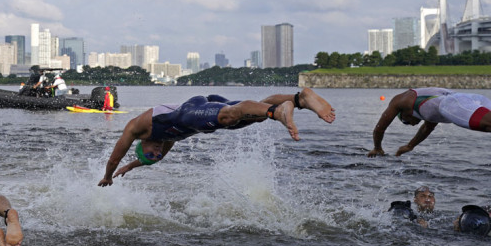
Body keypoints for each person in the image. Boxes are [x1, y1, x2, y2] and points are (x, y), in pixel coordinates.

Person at [98, 88, 336, 186]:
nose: (158, 152)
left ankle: (278, 111)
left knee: (232, 116)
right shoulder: (163, 144)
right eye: (157, 155)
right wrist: (132, 167)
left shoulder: (135, 128)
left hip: (192, 110)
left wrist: (109, 176)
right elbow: (150, 158)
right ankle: (299, 99)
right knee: (251, 115)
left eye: (151, 153)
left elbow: (113, 158)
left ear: (142, 146)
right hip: (203, 117)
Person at [367, 88, 491, 157]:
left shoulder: (400, 101)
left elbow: (380, 128)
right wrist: (410, 146)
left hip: (454, 104)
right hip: (471, 98)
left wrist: (377, 147)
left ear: (403, 115)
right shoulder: (427, 112)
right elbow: (427, 128)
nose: (411, 124)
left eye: (406, 122)